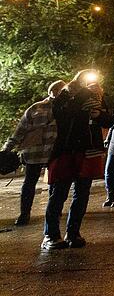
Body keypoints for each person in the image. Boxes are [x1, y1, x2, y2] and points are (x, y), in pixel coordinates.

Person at [42, 70, 111, 250]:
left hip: (87, 151)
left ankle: (73, 233)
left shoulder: (92, 97)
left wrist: (98, 114)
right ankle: (50, 235)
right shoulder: (65, 97)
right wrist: (82, 96)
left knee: (81, 194)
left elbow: (108, 120)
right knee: (59, 194)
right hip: (66, 151)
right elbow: (63, 115)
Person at [1, 80, 65, 226]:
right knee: (30, 182)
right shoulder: (36, 108)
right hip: (35, 152)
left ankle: (53, 210)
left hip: (56, 151)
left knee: (55, 182)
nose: (59, 92)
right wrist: (7, 148)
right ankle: (25, 213)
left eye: (61, 90)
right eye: (56, 89)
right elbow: (20, 130)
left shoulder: (67, 108)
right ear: (50, 91)